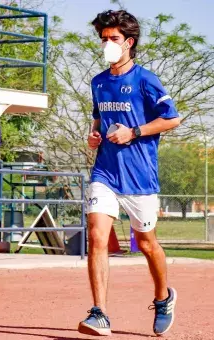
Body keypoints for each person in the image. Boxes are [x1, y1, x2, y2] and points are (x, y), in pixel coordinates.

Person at [78, 10, 180, 337]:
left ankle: (163, 297)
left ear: (129, 43)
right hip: (105, 172)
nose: (107, 44)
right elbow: (98, 120)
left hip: (140, 178)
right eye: (103, 39)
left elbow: (172, 119)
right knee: (96, 235)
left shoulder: (146, 79)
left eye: (113, 39)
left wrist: (134, 132)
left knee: (147, 244)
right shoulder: (98, 82)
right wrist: (93, 136)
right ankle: (100, 313)